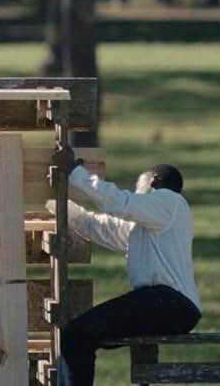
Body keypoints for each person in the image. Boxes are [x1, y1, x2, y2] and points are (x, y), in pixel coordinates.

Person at [48, 145, 202, 386]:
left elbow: (120, 203)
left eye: (137, 184)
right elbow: (96, 226)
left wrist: (75, 171)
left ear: (154, 180)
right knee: (79, 336)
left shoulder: (169, 201)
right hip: (166, 305)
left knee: (77, 335)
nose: (134, 189)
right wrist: (54, 201)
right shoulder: (147, 227)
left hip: (168, 303)